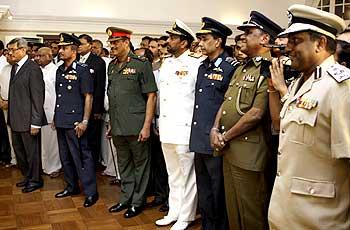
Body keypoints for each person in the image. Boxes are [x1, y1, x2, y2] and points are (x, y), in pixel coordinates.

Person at [267, 4, 350, 229]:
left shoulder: (341, 87)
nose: (288, 48)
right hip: (287, 213)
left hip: (319, 219)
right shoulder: (298, 83)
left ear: (320, 43)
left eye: (295, 41)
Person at [210, 11, 282, 229]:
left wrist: (224, 135)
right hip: (229, 148)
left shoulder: (269, 68)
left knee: (251, 212)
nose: (244, 38)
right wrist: (214, 129)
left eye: (249, 33)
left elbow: (256, 114)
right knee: (234, 209)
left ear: (264, 39)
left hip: (250, 152)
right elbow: (226, 101)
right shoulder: (243, 67)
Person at [190, 17, 239, 230]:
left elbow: (228, 104)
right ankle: (208, 225)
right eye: (199, 38)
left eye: (204, 38)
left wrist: (218, 132)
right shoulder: (202, 66)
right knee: (204, 189)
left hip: (217, 139)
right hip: (199, 137)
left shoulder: (231, 68)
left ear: (218, 41)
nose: (200, 43)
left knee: (219, 190)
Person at [106, 27, 157, 218]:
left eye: (115, 43)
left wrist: (146, 126)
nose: (112, 46)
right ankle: (125, 198)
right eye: (110, 43)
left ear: (126, 43)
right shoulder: (111, 66)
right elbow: (114, 96)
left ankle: (137, 201)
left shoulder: (141, 64)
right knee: (124, 164)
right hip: (118, 125)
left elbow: (151, 96)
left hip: (136, 125)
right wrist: (112, 122)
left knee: (141, 165)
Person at [155, 19, 201, 230]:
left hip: (185, 129)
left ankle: (186, 216)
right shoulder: (167, 63)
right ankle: (174, 211)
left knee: (187, 175)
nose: (168, 41)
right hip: (167, 127)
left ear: (184, 42)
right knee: (173, 174)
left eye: (173, 38)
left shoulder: (195, 63)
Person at [54, 33, 98, 207]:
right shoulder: (60, 69)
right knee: (65, 157)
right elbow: (60, 96)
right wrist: (55, 117)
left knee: (82, 157)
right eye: (60, 48)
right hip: (61, 119)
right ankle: (71, 186)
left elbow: (88, 97)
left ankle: (91, 192)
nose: (60, 50)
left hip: (76, 122)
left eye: (64, 48)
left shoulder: (82, 69)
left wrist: (85, 121)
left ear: (73, 51)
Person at [7, 37, 47, 193]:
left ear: (23, 50)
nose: (10, 53)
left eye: (13, 50)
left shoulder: (33, 69)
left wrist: (36, 122)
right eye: (9, 50)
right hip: (16, 118)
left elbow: (38, 97)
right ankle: (28, 177)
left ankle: (36, 180)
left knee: (32, 153)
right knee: (20, 152)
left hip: (29, 120)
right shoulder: (15, 67)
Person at [78, 34, 106, 166]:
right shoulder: (75, 59)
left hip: (92, 106)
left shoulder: (98, 61)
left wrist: (97, 109)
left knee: (92, 137)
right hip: (77, 106)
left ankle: (92, 164)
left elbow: (100, 86)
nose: (79, 46)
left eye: (82, 44)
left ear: (89, 45)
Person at [35, 47, 62, 178]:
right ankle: (44, 166)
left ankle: (55, 167)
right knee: (43, 142)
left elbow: (58, 95)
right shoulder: (37, 70)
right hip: (38, 111)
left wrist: (57, 114)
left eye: (40, 56)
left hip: (51, 111)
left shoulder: (56, 71)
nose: (37, 58)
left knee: (52, 142)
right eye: (37, 56)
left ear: (49, 57)